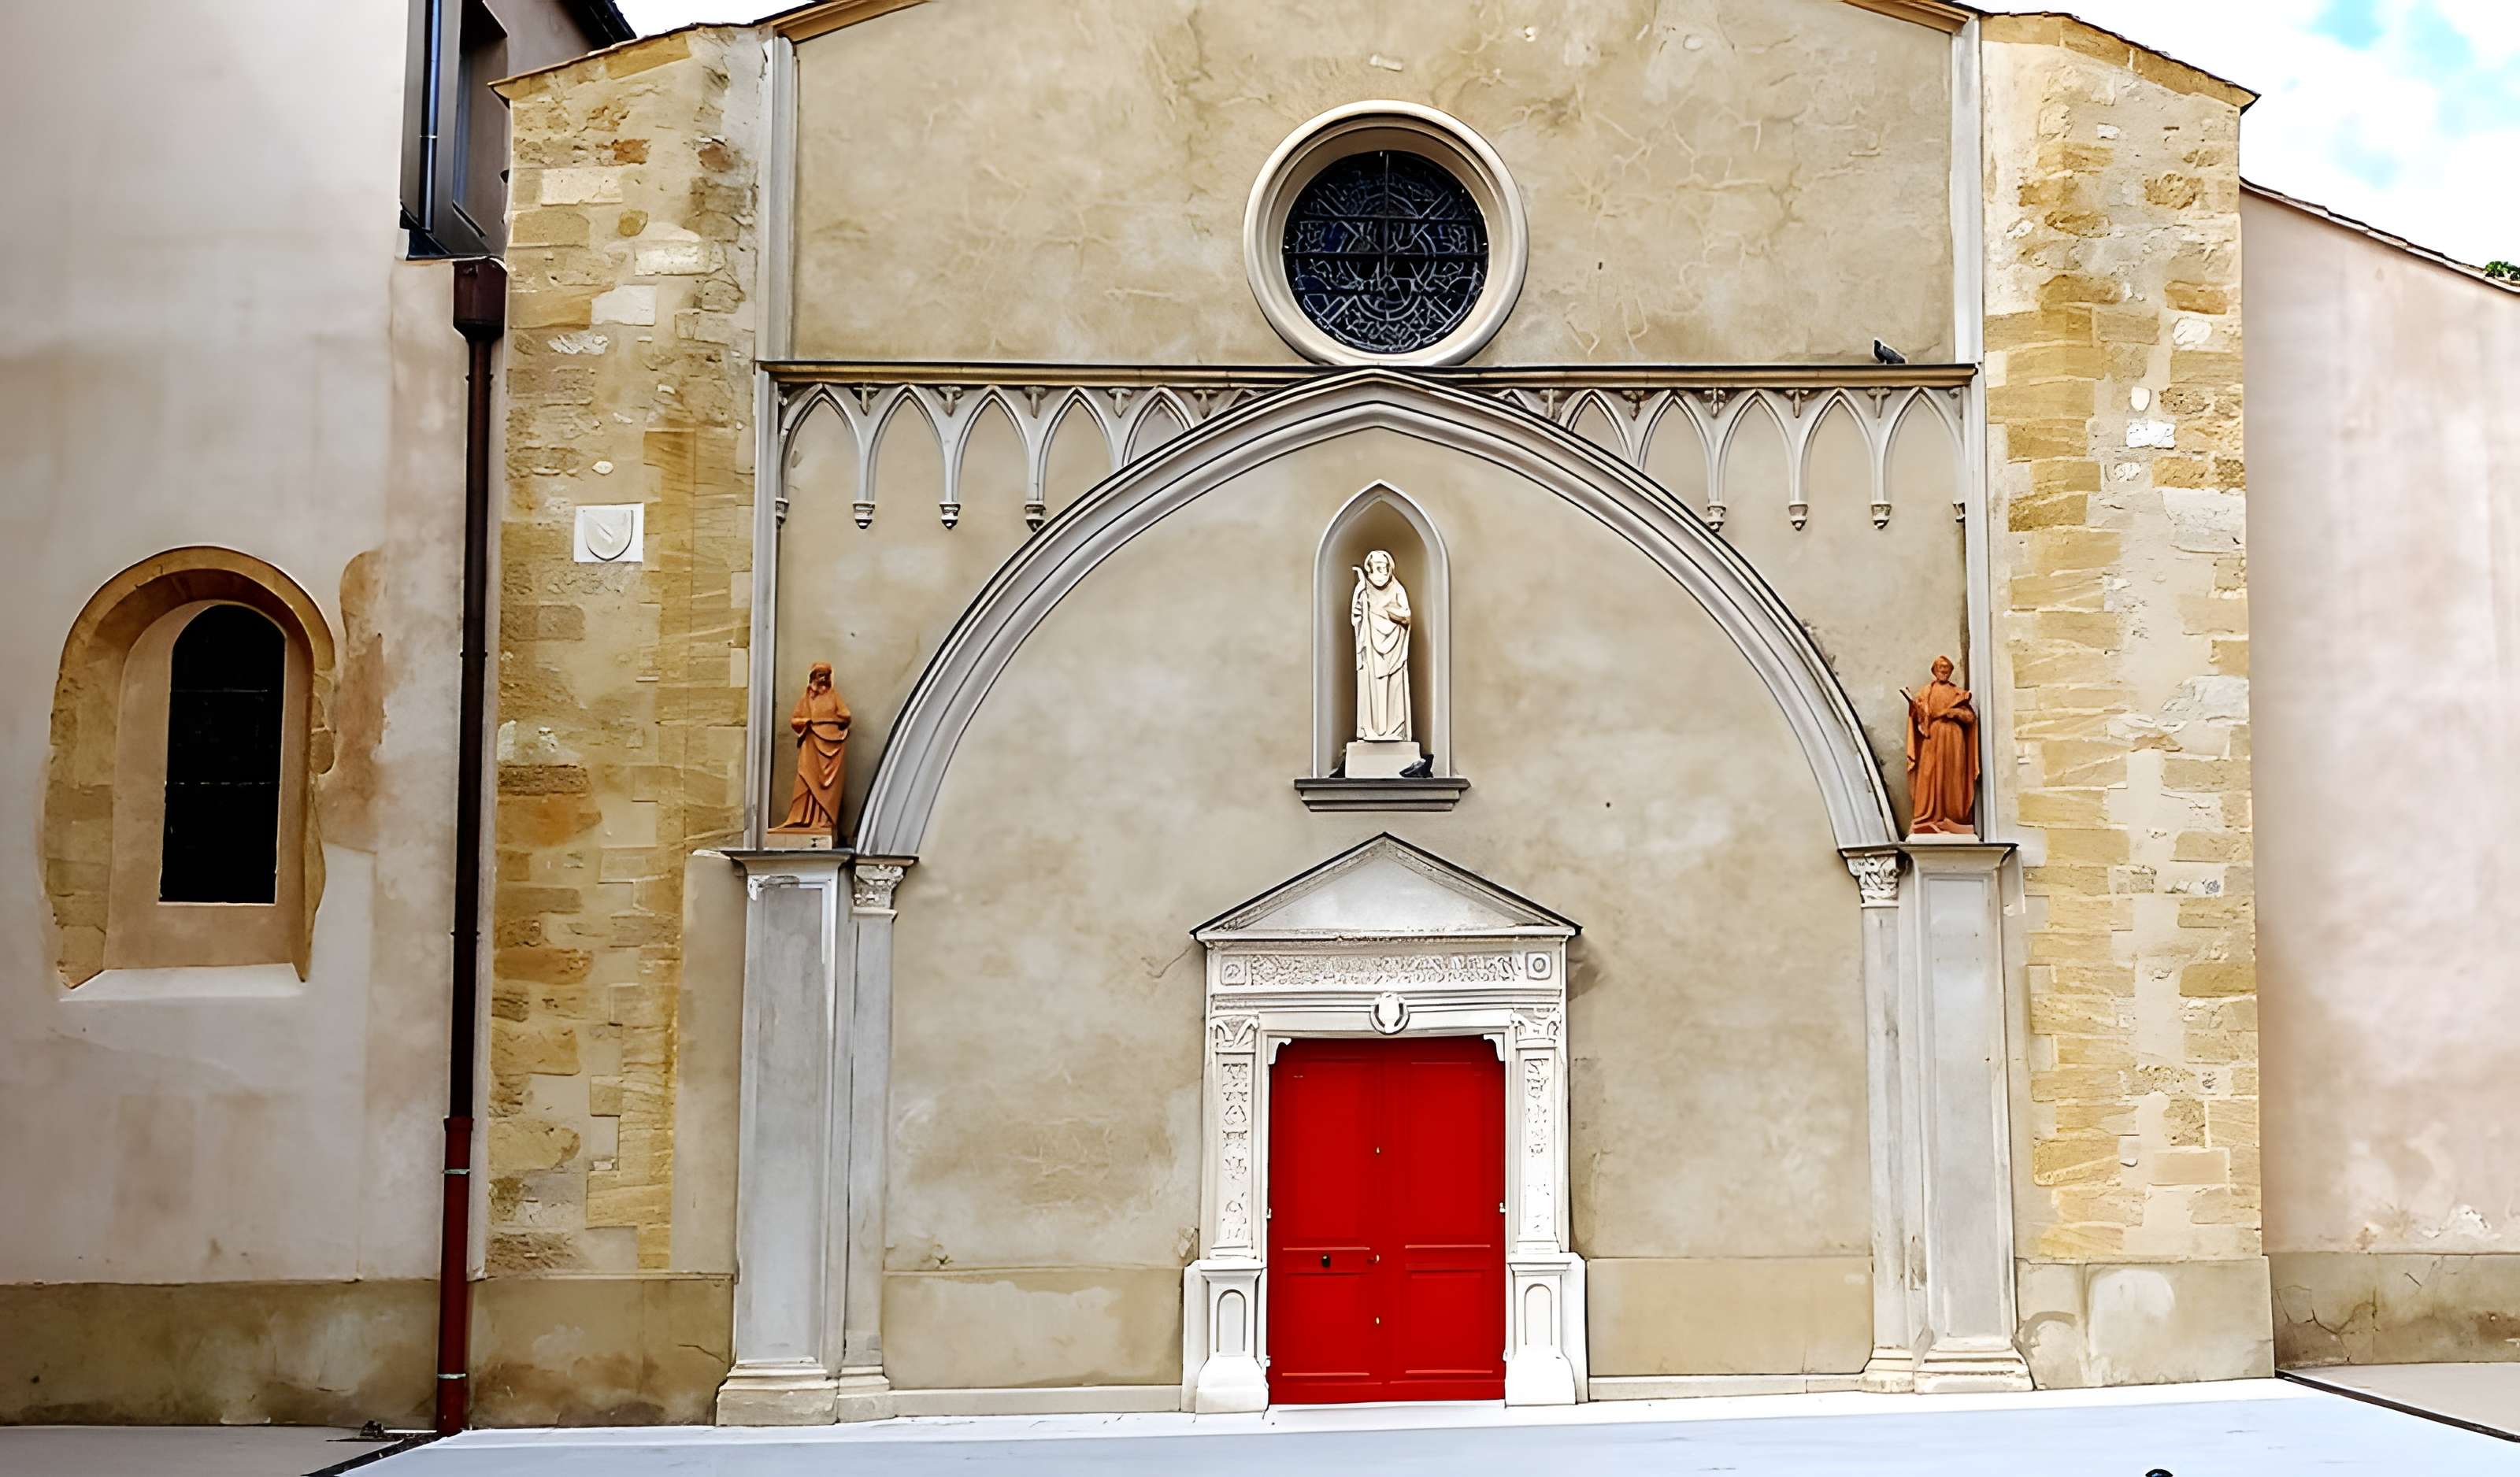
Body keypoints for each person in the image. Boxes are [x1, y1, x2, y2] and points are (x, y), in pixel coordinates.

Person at [1905, 655, 1977, 836]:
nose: (1943, 671)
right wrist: (1917, 710)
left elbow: (1970, 718)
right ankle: (1928, 817)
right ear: (1935, 670)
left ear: (1950, 671)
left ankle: (1953, 818)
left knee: (1953, 775)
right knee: (1929, 773)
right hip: (1933, 737)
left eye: (1946, 668)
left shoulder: (1958, 693)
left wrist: (1955, 713)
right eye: (1940, 668)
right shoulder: (1926, 692)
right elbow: (1917, 720)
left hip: (1954, 739)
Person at [777, 661, 849, 833]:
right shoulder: (807, 698)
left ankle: (823, 821)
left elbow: (846, 715)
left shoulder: (833, 696)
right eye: (820, 675)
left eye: (826, 675)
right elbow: (795, 720)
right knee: (805, 778)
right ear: (813, 677)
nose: (823, 678)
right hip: (811, 742)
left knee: (827, 784)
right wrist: (807, 722)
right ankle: (801, 818)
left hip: (832, 742)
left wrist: (833, 721)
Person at [1351, 550, 1413, 742]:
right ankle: (1371, 729)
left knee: (1394, 686)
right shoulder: (1363, 590)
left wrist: (1385, 612)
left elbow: (1407, 615)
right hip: (1371, 648)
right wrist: (1361, 607)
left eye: (1384, 566)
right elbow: (1357, 617)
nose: (1381, 570)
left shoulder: (1397, 589)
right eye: (1377, 566)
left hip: (1394, 648)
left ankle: (1394, 729)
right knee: (1371, 686)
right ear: (1370, 568)